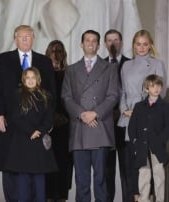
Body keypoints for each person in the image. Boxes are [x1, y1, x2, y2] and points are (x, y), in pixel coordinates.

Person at [0, 25, 56, 202]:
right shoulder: (3, 60)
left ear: (34, 38)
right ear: (15, 39)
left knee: (37, 171)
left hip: (37, 127)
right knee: (11, 167)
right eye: (21, 37)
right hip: (10, 123)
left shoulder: (44, 61)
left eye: (28, 36)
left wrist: (47, 124)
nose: (25, 40)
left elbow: (52, 94)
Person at [61, 30, 120, 202]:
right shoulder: (71, 70)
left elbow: (113, 95)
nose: (91, 43)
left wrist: (95, 113)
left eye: (94, 40)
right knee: (82, 180)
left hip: (100, 127)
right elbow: (66, 96)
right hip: (79, 128)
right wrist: (81, 114)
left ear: (99, 45)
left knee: (101, 180)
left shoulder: (109, 68)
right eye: (87, 40)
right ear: (81, 44)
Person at [117, 29, 167, 202]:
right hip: (128, 118)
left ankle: (153, 198)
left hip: (149, 119)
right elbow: (122, 91)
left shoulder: (157, 64)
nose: (141, 47)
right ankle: (137, 198)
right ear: (133, 45)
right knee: (132, 166)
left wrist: (140, 110)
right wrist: (124, 109)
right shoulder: (126, 65)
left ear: (151, 45)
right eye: (138, 44)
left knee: (153, 167)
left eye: (145, 44)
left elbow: (160, 92)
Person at [4, 67, 57, 202]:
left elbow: (49, 118)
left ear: (38, 79)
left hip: (39, 143)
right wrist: (30, 131)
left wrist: (39, 131)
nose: (31, 80)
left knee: (39, 178)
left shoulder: (46, 96)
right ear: (24, 79)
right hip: (22, 142)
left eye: (33, 78)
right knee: (23, 178)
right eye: (28, 78)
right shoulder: (17, 95)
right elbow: (15, 117)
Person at [128, 74, 169, 202]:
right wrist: (135, 141)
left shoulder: (165, 106)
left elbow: (168, 127)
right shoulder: (139, 106)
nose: (156, 88)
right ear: (146, 89)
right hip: (142, 147)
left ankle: (160, 200)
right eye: (152, 86)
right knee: (144, 176)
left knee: (159, 176)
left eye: (158, 85)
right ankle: (143, 199)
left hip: (157, 148)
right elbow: (132, 127)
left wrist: (160, 140)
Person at [103, 29, 130, 202]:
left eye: (116, 39)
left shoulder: (131, 64)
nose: (113, 43)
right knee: (106, 172)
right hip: (105, 127)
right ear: (105, 44)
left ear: (121, 42)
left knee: (128, 171)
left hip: (126, 124)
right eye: (109, 40)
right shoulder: (100, 65)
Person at [44, 40, 73, 202]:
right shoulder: (41, 74)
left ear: (64, 54)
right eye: (52, 50)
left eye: (59, 51)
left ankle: (62, 197)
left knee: (64, 166)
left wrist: (65, 117)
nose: (56, 54)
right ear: (48, 53)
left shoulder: (69, 74)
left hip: (66, 127)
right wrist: (51, 117)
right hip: (47, 128)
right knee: (48, 167)